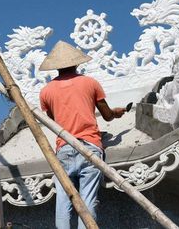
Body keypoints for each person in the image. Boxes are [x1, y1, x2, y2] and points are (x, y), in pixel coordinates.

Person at [39, 41, 126, 229]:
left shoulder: (46, 91)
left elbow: (54, 121)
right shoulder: (90, 83)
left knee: (63, 202)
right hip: (89, 147)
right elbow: (107, 116)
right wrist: (115, 113)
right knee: (87, 202)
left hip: (63, 149)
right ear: (76, 63)